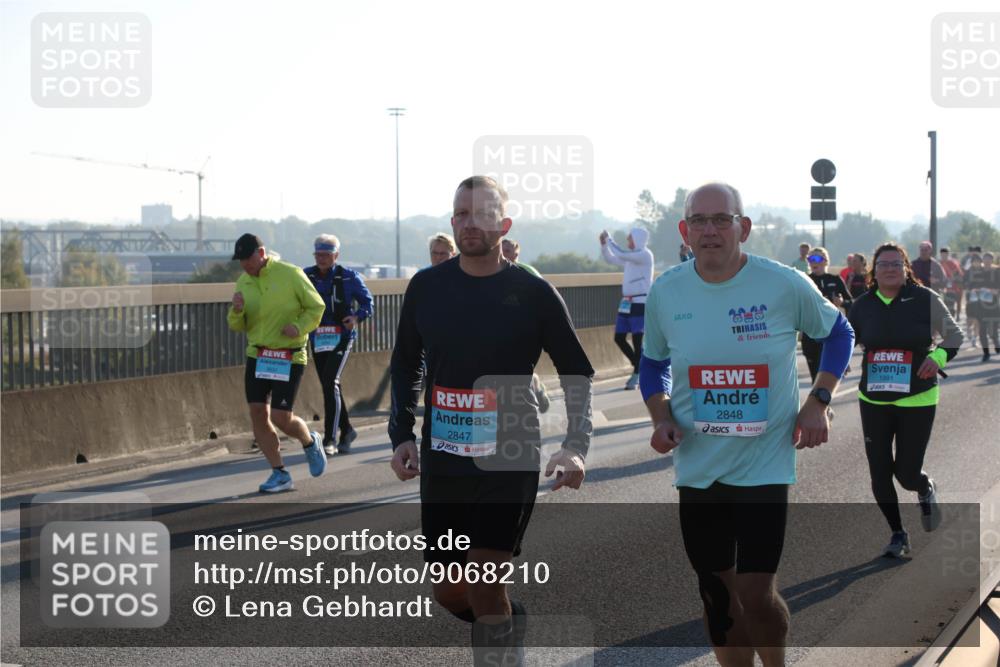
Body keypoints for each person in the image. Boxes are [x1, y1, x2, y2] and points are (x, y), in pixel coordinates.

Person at [640, 183, 853, 666]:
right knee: (716, 594)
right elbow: (653, 364)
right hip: (698, 465)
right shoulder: (666, 291)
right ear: (684, 230)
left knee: (756, 593)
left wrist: (819, 400)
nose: (710, 230)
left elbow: (839, 331)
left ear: (744, 227)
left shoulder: (782, 283)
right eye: (699, 220)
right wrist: (661, 415)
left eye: (721, 219)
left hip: (764, 464)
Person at [388, 175, 594, 666]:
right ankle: (507, 621)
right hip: (445, 454)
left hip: (510, 453)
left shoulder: (533, 291)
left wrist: (575, 444)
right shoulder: (426, 286)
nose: (468, 223)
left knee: (483, 582)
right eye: (460, 213)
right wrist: (402, 434)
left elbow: (576, 370)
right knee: (449, 591)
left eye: (481, 214)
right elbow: (405, 363)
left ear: (503, 224)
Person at [848, 242, 963, 557]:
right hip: (874, 398)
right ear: (874, 269)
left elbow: (954, 335)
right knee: (880, 471)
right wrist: (839, 360)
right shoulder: (862, 304)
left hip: (918, 396)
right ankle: (898, 534)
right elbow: (846, 338)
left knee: (906, 473)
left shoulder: (925, 299)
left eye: (896, 264)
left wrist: (937, 357)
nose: (890, 269)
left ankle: (924, 488)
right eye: (883, 264)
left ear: (905, 268)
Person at [227, 233, 328, 492]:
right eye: (240, 261)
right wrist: (236, 311)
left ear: (261, 253)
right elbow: (236, 325)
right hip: (258, 355)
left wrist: (299, 326)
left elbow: (316, 307)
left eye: (247, 259)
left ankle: (309, 441)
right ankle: (279, 473)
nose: (244, 265)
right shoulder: (243, 282)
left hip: (289, 355)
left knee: (282, 417)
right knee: (258, 413)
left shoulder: (290, 274)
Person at [304, 234, 374, 455]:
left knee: (329, 382)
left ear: (336, 255)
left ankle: (330, 438)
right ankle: (348, 430)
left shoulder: (349, 277)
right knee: (330, 385)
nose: (321, 259)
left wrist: (356, 318)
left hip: (342, 337)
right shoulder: (307, 276)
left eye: (326, 255)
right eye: (318, 255)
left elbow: (367, 303)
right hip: (318, 337)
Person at [599, 227, 654, 390]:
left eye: (630, 239)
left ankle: (637, 373)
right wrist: (604, 245)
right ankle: (639, 366)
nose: (628, 241)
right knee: (619, 338)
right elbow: (612, 258)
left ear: (638, 239)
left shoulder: (644, 255)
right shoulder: (631, 258)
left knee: (638, 340)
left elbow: (620, 253)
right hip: (626, 303)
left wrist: (610, 240)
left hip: (640, 303)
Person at [500, 238, 551, 413]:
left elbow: (545, 298)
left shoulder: (528, 271)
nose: (503, 253)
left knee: (518, 369)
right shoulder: (491, 272)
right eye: (501, 249)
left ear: (516, 253)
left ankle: (534, 388)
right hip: (502, 330)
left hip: (525, 329)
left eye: (507, 250)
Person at [800, 247, 853, 382]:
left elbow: (851, 302)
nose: (813, 262)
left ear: (825, 261)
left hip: (832, 334)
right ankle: (821, 403)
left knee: (828, 379)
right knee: (816, 379)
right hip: (811, 336)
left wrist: (842, 302)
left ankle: (825, 402)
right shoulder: (804, 280)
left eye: (816, 258)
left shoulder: (835, 279)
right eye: (810, 259)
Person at [964, 253, 997, 360]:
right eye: (985, 259)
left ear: (992, 260)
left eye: (989, 259)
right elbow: (970, 286)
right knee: (982, 330)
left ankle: (997, 343)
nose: (987, 261)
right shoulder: (978, 272)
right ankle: (986, 353)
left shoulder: (996, 271)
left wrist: (995, 291)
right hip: (980, 306)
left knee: (992, 332)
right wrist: (974, 290)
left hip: (994, 306)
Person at [938, 247, 964, 319]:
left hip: (953, 287)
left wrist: (952, 278)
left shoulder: (953, 263)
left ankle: (954, 317)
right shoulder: (938, 263)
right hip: (942, 287)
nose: (944, 256)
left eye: (945, 254)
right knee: (944, 305)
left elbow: (959, 275)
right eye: (942, 254)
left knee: (952, 304)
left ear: (948, 254)